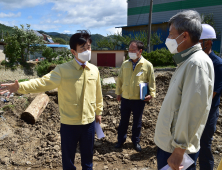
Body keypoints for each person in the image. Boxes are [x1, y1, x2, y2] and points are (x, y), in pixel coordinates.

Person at [0, 30, 103, 170]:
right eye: (82, 48)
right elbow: (41, 83)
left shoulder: (94, 70)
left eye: (89, 47)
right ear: (73, 52)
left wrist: (98, 112)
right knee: (68, 160)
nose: (87, 51)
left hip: (89, 123)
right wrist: (20, 87)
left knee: (87, 157)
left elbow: (98, 93)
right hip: (69, 124)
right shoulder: (62, 70)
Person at [154, 10, 214, 170]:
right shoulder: (187, 61)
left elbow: (192, 109)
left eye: (171, 34)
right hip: (170, 144)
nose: (168, 39)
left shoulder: (196, 64)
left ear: (184, 36)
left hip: (175, 149)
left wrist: (179, 149)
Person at [115, 40, 156, 152]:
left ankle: (135, 141)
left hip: (139, 99)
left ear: (140, 51)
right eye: (129, 49)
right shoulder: (125, 64)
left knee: (137, 122)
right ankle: (120, 140)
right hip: (125, 98)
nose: (130, 52)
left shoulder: (147, 65)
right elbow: (120, 80)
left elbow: (152, 81)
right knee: (123, 121)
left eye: (133, 50)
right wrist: (118, 93)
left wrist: (152, 94)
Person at [198, 24, 222, 170]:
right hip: (194, 109)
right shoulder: (195, 61)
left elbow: (211, 94)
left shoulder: (217, 64)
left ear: (208, 42)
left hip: (208, 111)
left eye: (197, 41)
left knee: (204, 143)